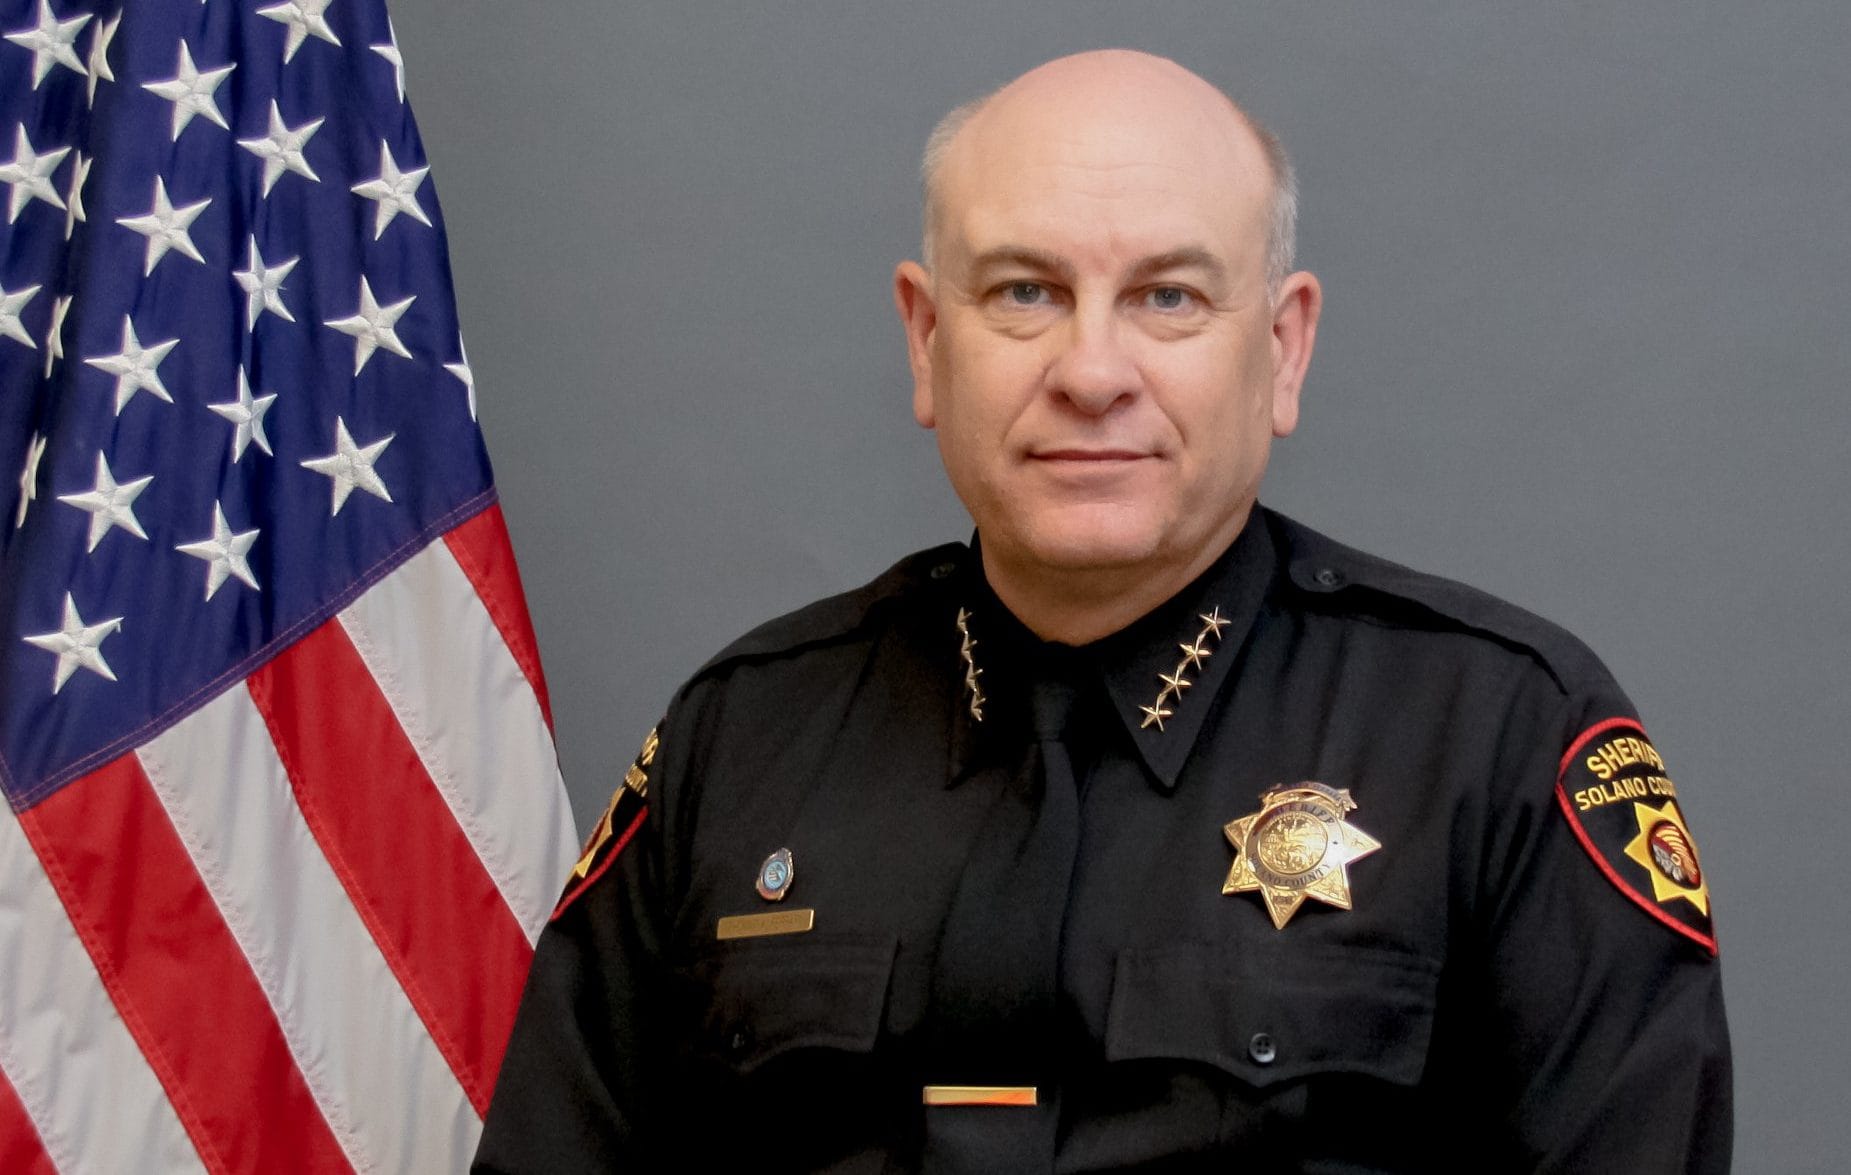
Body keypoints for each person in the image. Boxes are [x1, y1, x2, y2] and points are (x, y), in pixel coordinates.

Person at [474, 49, 1731, 1173]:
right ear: (926, 339)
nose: (1090, 372)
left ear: (1283, 349)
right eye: (1025, 291)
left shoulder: (1496, 741)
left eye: (1168, 296)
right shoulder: (742, 739)